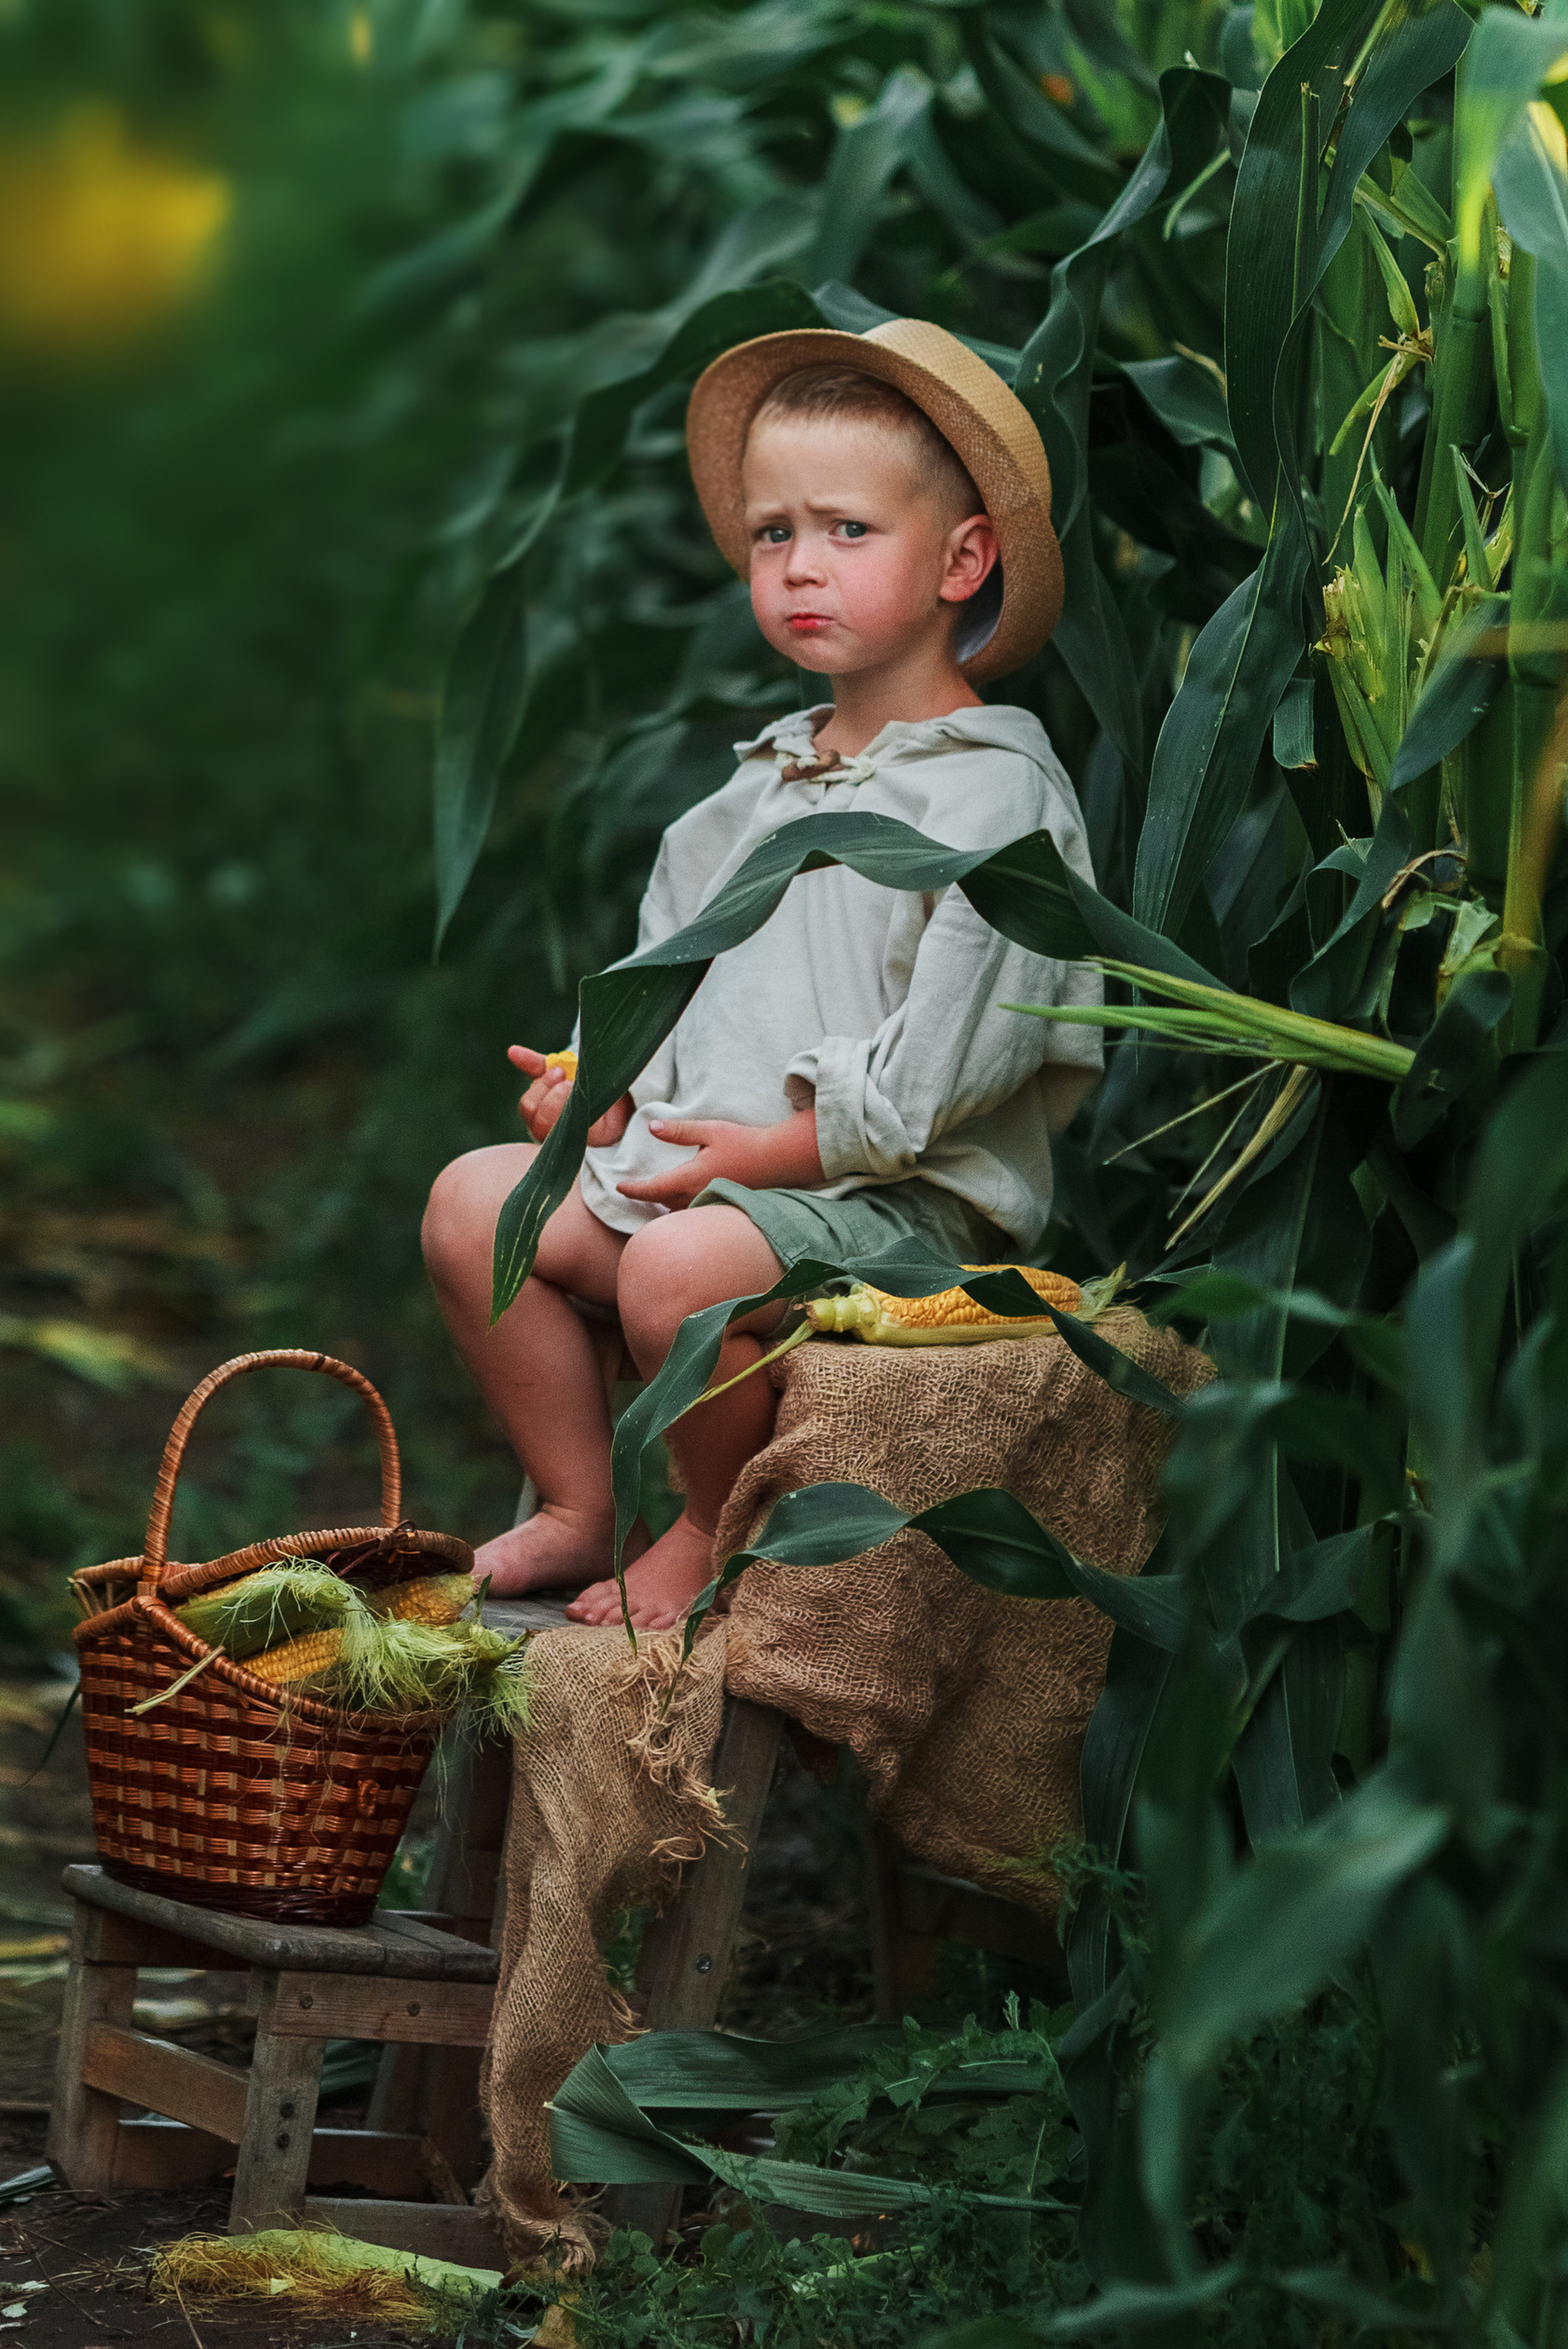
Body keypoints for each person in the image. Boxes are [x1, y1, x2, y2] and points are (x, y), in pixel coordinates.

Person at [421, 318, 1103, 1630]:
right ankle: (578, 1508)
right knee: (474, 1208)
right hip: (701, 1179)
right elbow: (661, 975)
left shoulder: (992, 802)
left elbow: (939, 1085)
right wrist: (599, 1090)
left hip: (894, 1209)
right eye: (773, 533)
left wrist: (747, 1162)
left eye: (848, 531)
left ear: (964, 560)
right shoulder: (757, 785)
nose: (799, 566)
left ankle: (705, 1527)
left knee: (674, 1276)